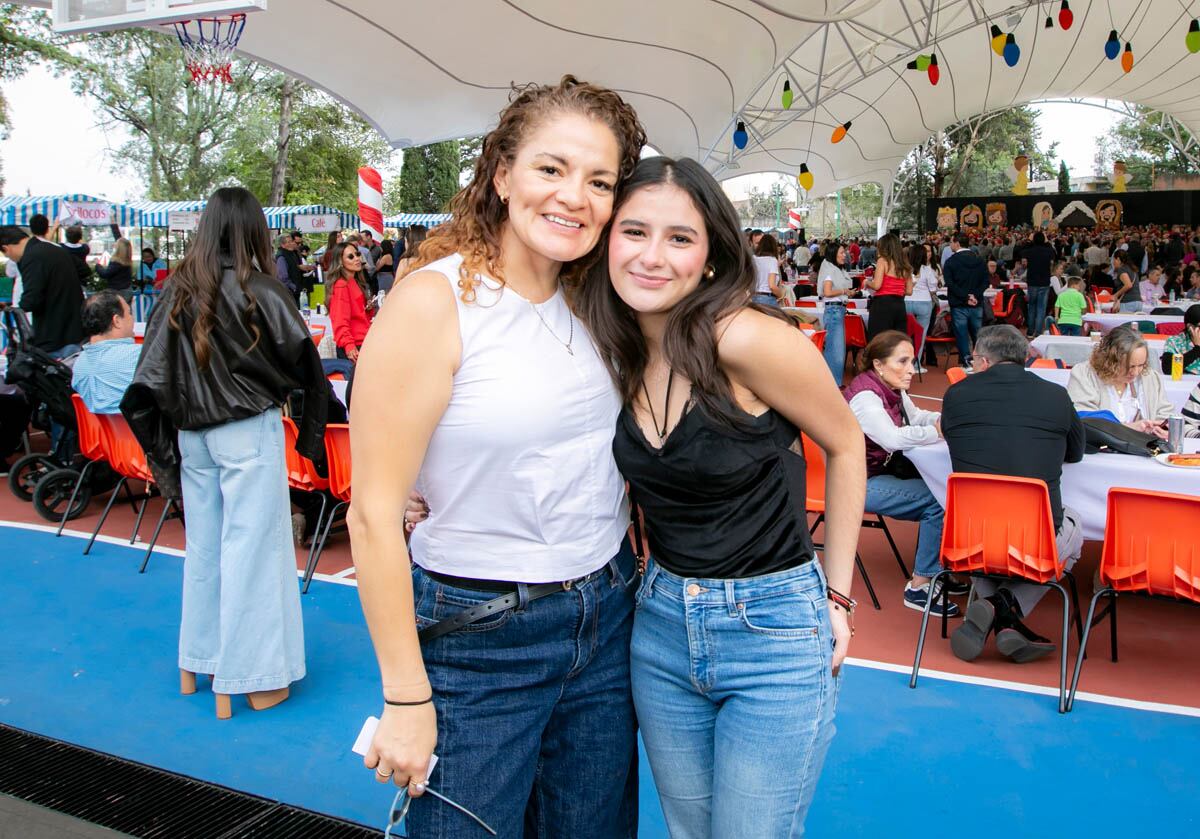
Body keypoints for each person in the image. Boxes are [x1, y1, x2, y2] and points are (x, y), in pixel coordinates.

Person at [351, 76, 647, 836]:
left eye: (599, 180)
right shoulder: (433, 302)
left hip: (607, 615)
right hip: (482, 635)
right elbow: (373, 515)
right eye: (552, 168)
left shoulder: (600, 301)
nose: (574, 196)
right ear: (502, 173)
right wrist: (407, 697)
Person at [573, 154, 862, 837]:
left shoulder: (746, 338)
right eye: (634, 231)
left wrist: (839, 596)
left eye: (679, 238)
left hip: (774, 630)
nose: (652, 255)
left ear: (709, 258)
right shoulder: (612, 349)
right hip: (661, 626)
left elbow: (847, 445)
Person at [119, 186, 329, 719]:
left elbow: (150, 374)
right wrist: (307, 426)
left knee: (207, 546)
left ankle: (199, 659)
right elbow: (306, 362)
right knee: (254, 551)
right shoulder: (261, 290)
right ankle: (254, 676)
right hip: (245, 430)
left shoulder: (176, 292)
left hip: (193, 435)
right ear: (254, 229)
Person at [941, 325, 1085, 663]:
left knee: (981, 544)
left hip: (967, 534)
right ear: (1024, 359)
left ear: (984, 360)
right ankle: (1005, 609)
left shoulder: (956, 395)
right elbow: (1075, 453)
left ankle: (993, 606)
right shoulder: (1055, 396)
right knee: (1075, 524)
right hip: (1035, 537)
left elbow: (953, 438)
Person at [844, 331, 959, 616]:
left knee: (948, 489)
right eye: (903, 361)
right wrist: (936, 431)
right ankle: (920, 586)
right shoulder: (866, 398)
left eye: (913, 361)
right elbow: (892, 439)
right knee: (939, 501)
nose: (911, 369)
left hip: (874, 474)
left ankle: (938, 569)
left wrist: (946, 419)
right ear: (879, 365)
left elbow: (917, 416)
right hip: (855, 483)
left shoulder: (891, 388)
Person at [1067, 327, 1172, 437]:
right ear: (1110, 362)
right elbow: (1084, 420)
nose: (1135, 372)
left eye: (1141, 365)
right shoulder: (1084, 374)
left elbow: (1165, 412)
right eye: (1129, 367)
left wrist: (1161, 429)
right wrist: (1127, 428)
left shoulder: (1150, 377)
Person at [0, 225, 84, 357]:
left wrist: (16, 308)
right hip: (73, 329)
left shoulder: (31, 257)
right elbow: (83, 270)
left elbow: (32, 299)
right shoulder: (53, 248)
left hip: (54, 335)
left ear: (6, 248)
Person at [71, 291, 141, 414]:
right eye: (129, 313)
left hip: (97, 433)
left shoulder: (78, 365)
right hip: (139, 432)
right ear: (117, 320)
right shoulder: (139, 355)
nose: (132, 318)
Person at [942, 234, 988, 372]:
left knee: (961, 334)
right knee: (977, 334)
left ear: (956, 243)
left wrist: (965, 297)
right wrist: (975, 295)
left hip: (959, 303)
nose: (950, 244)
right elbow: (985, 281)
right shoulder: (979, 260)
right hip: (976, 303)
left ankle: (967, 362)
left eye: (951, 241)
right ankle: (980, 361)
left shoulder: (951, 261)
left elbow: (950, 283)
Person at [326, 241, 374, 362]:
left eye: (357, 254)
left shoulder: (354, 281)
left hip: (363, 341)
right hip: (354, 347)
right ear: (340, 262)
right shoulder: (341, 285)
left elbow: (359, 315)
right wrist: (349, 345)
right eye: (350, 257)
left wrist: (368, 308)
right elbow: (339, 319)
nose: (357, 258)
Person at [864, 233, 912, 342]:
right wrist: (896, 288)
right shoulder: (905, 264)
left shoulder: (883, 261)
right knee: (897, 342)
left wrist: (867, 282)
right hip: (900, 305)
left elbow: (877, 285)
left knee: (879, 342)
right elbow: (909, 291)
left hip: (882, 305)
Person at [817, 241, 853, 384]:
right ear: (833, 254)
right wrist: (844, 291)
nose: (845, 255)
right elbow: (827, 292)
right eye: (842, 252)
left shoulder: (834, 269)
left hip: (836, 310)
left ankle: (832, 384)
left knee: (835, 350)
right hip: (834, 310)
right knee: (835, 352)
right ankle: (832, 385)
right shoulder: (830, 270)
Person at [907, 243, 939, 373]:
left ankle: (904, 363)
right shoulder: (928, 270)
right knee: (920, 334)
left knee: (906, 334)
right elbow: (933, 289)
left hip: (907, 302)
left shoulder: (905, 269)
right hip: (924, 303)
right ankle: (916, 364)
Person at [1022, 231, 1055, 337]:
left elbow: (1021, 251)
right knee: (1041, 308)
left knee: (1031, 307)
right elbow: (1054, 254)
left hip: (1032, 282)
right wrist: (1047, 242)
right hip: (1044, 282)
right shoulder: (1048, 251)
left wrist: (1029, 241)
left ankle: (1030, 331)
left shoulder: (1030, 250)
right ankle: (1038, 332)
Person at [1161, 306, 1200, 375]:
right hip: (1184, 383)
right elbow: (1167, 369)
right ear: (1190, 327)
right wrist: (1197, 349)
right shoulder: (1175, 342)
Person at [96, 237, 134, 303]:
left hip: (117, 291)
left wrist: (98, 265)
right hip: (127, 290)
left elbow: (105, 274)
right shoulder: (127, 262)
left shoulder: (117, 263)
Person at [751, 233, 784, 306]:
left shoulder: (753, 259)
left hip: (753, 298)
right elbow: (772, 286)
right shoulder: (772, 260)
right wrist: (781, 295)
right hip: (767, 299)